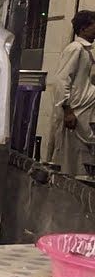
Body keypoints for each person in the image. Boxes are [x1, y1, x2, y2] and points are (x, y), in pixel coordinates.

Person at [48, 10, 95, 175]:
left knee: (81, 159)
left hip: (84, 115)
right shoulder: (75, 49)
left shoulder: (86, 51)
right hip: (74, 113)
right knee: (70, 160)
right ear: (83, 28)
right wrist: (67, 110)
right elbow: (62, 80)